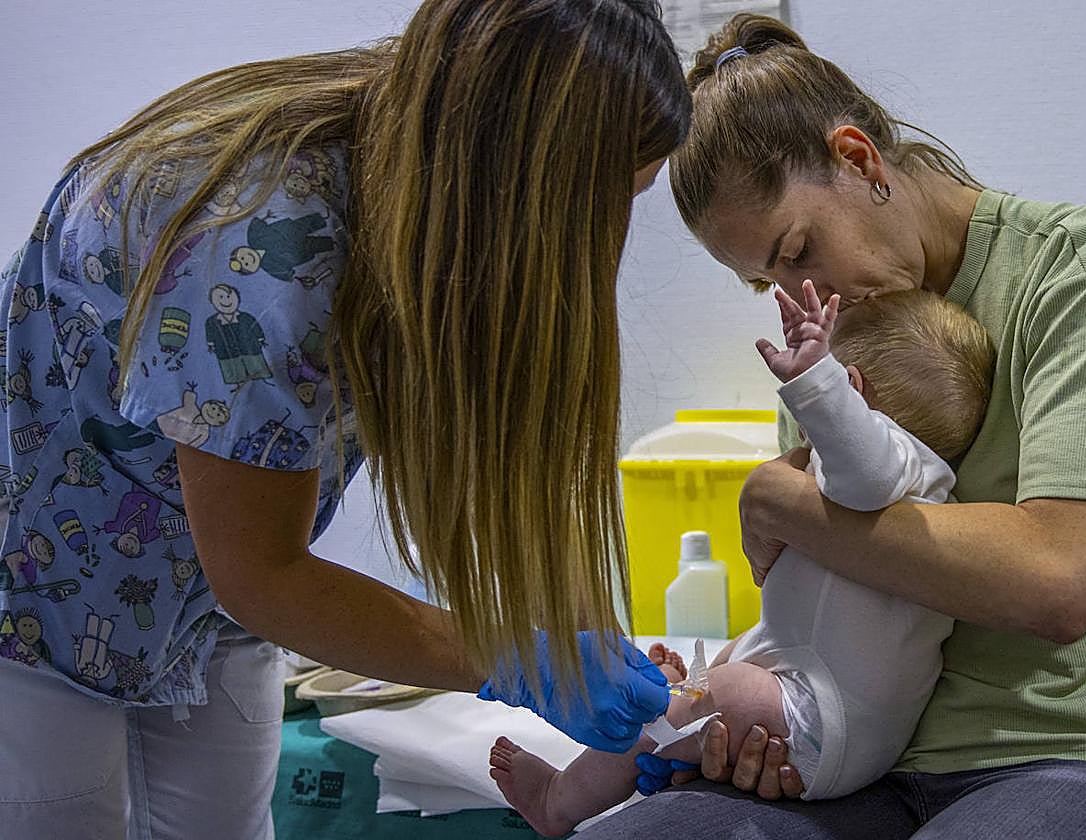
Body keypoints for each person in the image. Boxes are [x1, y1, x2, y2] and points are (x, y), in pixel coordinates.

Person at [0, 1, 689, 836]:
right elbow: (262, 575)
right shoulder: (263, 241)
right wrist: (517, 658)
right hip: (40, 586)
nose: (602, 243)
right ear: (519, 173)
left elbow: (503, 460)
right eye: (606, 201)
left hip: (198, 593)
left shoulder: (423, 188)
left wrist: (578, 635)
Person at [579, 13, 1086, 840]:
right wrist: (741, 707)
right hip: (868, 757)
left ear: (859, 158)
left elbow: (1059, 581)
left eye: (798, 249)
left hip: (1082, 744)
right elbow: (820, 596)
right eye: (767, 282)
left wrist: (781, 503)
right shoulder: (829, 344)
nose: (800, 293)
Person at [489, 282, 994, 836]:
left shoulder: (898, 470)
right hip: (838, 716)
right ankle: (682, 691)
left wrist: (814, 379)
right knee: (728, 667)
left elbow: (864, 463)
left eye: (830, 387)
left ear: (851, 390)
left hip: (822, 717)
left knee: (703, 699)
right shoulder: (918, 492)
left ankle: (561, 799)